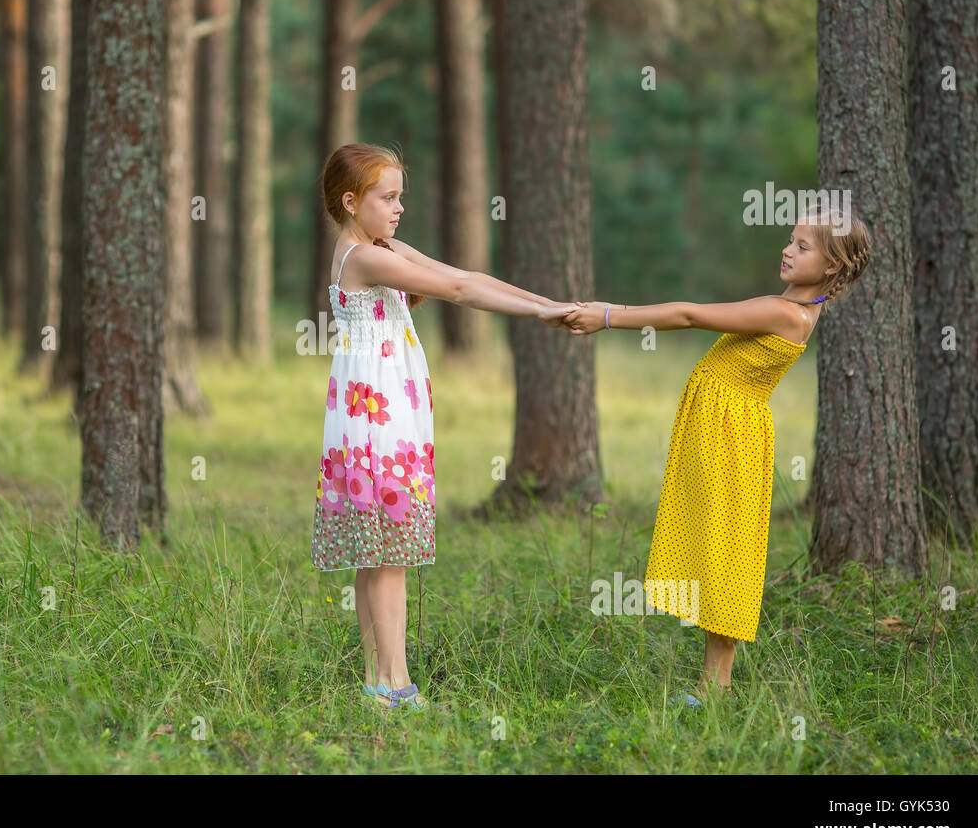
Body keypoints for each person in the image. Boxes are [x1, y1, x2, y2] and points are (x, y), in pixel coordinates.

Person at [564, 204, 872, 706]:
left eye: (802, 246)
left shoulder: (786, 313)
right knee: (712, 547)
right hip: (721, 430)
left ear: (833, 265)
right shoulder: (789, 304)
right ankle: (714, 684)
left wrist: (607, 316)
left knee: (726, 552)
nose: (787, 249)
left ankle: (717, 687)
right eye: (789, 240)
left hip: (731, 440)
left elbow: (688, 314)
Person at [312, 143, 574, 709]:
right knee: (387, 557)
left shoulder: (381, 246)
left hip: (386, 412)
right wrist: (539, 313)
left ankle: (378, 681)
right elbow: (455, 292)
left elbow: (466, 274)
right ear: (352, 201)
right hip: (373, 417)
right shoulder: (361, 258)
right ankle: (394, 684)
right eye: (388, 198)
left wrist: (548, 305)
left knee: (379, 554)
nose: (399, 207)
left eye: (400, 196)